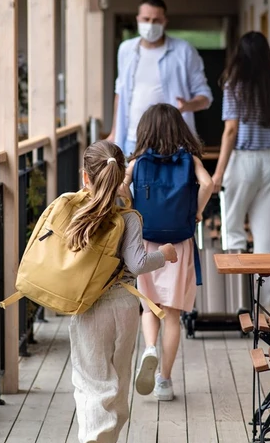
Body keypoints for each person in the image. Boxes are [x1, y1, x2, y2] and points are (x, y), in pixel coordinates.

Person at [67, 140, 178, 443]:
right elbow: (138, 263)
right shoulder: (128, 216)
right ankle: (109, 437)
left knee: (91, 381)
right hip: (125, 305)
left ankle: (95, 437)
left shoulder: (75, 211)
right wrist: (165, 254)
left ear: (85, 176)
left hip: (88, 305)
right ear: (121, 177)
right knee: (118, 379)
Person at [123, 104, 214, 401]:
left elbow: (121, 187)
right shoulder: (189, 159)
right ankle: (164, 380)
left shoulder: (138, 162)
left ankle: (149, 348)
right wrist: (197, 212)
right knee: (172, 315)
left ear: (145, 130)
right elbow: (209, 183)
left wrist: (133, 208)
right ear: (179, 128)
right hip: (179, 245)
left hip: (147, 243)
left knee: (150, 308)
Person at [211, 31, 270, 305]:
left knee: (233, 228)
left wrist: (219, 172)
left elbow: (230, 130)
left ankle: (237, 302)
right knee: (267, 236)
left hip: (243, 160)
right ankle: (262, 307)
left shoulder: (235, 86)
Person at [107, 0, 214, 156]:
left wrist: (187, 106)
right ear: (138, 19)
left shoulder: (184, 51)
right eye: (146, 19)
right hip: (133, 140)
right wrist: (114, 132)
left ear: (165, 21)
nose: (150, 25)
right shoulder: (126, 50)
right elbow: (120, 94)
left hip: (174, 142)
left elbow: (205, 97)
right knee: (131, 181)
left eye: (156, 20)